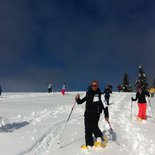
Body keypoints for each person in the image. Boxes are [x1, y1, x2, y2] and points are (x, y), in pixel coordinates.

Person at [75, 80, 109, 149]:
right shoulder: (88, 93)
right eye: (92, 85)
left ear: (97, 86)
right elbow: (80, 102)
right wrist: (77, 99)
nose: (93, 87)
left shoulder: (100, 95)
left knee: (94, 126)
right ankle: (89, 144)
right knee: (87, 129)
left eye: (95, 85)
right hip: (87, 113)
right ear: (91, 86)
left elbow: (105, 106)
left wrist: (106, 115)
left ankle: (99, 136)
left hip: (95, 113)